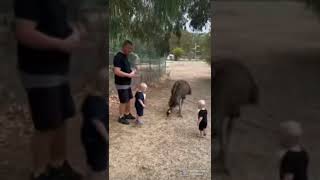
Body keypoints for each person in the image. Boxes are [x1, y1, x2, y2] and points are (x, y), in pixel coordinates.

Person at [14, 0, 83, 179]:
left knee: (62, 119)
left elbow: (63, 24)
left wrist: (75, 33)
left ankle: (57, 166)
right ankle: (39, 173)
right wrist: (61, 44)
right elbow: (24, 32)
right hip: (39, 71)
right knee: (46, 125)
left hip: (59, 70)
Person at [81, 68, 108, 180]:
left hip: (89, 138)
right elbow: (96, 122)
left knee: (92, 164)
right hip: (96, 140)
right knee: (98, 168)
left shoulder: (90, 97)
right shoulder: (96, 101)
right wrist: (107, 138)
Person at [113, 40, 136, 125]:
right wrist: (128, 75)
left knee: (128, 98)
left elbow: (125, 69)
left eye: (131, 48)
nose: (131, 50)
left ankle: (127, 113)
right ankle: (121, 117)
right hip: (121, 83)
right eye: (129, 48)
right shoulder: (118, 57)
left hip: (127, 83)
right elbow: (116, 71)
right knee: (123, 100)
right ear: (124, 47)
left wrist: (132, 71)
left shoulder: (125, 56)